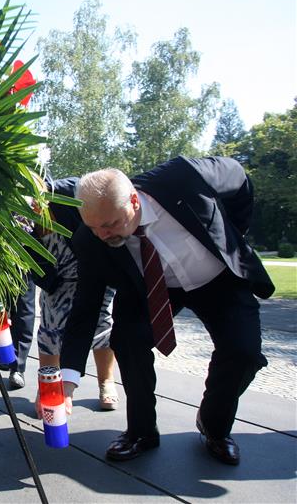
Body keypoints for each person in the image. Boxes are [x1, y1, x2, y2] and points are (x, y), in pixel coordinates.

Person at [60, 156, 272, 466]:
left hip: (218, 279)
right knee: (128, 339)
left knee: (244, 353)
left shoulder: (183, 177)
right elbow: (85, 308)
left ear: (134, 200)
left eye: (110, 225)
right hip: (151, 287)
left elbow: (239, 177)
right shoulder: (91, 241)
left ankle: (214, 427)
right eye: (94, 227)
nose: (103, 235)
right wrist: (68, 381)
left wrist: (233, 234)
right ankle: (141, 432)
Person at [30, 177, 119, 412]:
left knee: (102, 326)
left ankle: (106, 382)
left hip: (93, 273)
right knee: (50, 333)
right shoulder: (20, 217)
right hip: (57, 281)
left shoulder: (72, 192)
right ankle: (48, 386)